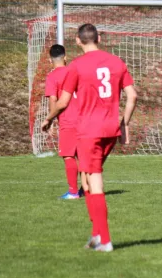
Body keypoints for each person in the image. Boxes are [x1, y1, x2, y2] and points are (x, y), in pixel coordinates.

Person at [42, 24, 137, 252]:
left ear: (77, 41)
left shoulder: (76, 66)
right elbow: (132, 95)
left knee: (93, 183)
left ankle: (104, 239)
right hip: (110, 131)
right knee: (87, 181)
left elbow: (63, 102)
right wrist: (124, 123)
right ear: (100, 38)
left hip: (89, 132)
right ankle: (96, 236)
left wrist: (48, 118)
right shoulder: (117, 62)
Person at [44, 44, 80, 199]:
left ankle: (73, 192)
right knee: (83, 156)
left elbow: (53, 99)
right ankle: (88, 188)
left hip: (68, 120)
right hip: (84, 117)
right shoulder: (76, 72)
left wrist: (50, 120)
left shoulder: (52, 76)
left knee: (68, 155)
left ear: (50, 60)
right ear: (66, 57)